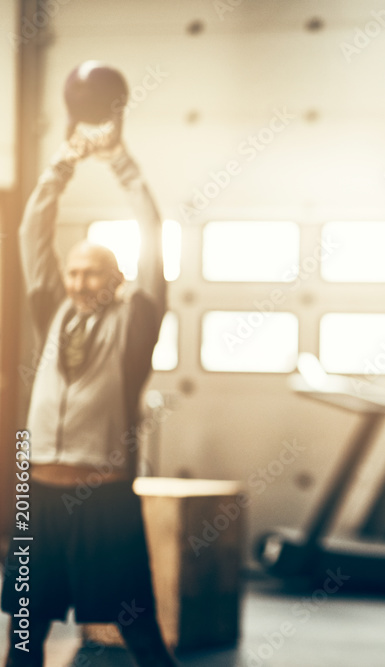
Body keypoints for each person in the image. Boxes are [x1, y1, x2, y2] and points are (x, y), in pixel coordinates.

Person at [2, 122, 176, 666]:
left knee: (137, 628)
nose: (78, 282)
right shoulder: (52, 312)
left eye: (92, 273)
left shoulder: (136, 322)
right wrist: (64, 161)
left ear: (118, 278)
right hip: (36, 497)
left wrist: (120, 161)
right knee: (24, 636)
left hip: (102, 500)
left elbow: (153, 231)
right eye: (73, 272)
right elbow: (34, 230)